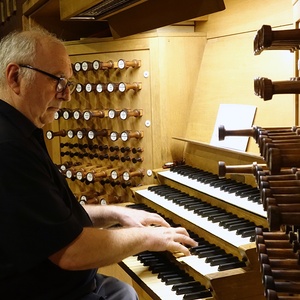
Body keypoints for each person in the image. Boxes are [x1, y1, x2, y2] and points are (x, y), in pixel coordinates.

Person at [0, 27, 197, 299]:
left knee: (124, 291)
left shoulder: (19, 131)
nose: (66, 95)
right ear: (15, 77)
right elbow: (70, 251)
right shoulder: (8, 147)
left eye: (68, 83)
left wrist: (116, 214)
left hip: (71, 284)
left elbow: (51, 221)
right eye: (58, 80)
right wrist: (149, 238)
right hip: (48, 293)